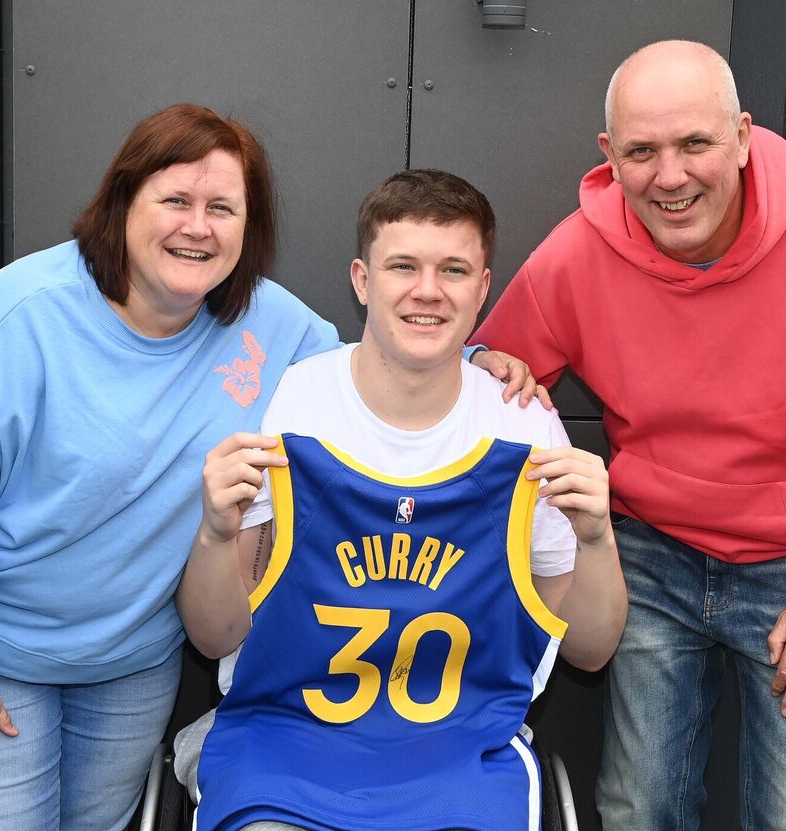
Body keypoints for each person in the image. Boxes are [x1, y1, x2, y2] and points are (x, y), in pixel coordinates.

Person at [0, 105, 536, 831]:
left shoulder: (269, 323)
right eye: (176, 201)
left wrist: (472, 360)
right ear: (123, 201)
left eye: (222, 207)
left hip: (130, 664)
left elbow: (375, 355)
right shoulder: (14, 319)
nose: (199, 226)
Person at [472, 41, 786, 830]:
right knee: (637, 809)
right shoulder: (578, 254)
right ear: (610, 156)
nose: (670, 176)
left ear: (740, 135)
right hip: (653, 557)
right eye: (642, 151)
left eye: (694, 143)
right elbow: (490, 369)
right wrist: (490, 366)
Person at [177, 169, 628, 830]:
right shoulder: (298, 399)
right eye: (403, 266)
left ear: (483, 288)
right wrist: (216, 534)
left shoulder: (521, 422)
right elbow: (215, 632)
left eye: (452, 269)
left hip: (456, 756)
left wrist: (598, 538)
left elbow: (590, 649)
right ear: (362, 280)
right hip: (286, 744)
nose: (426, 290)